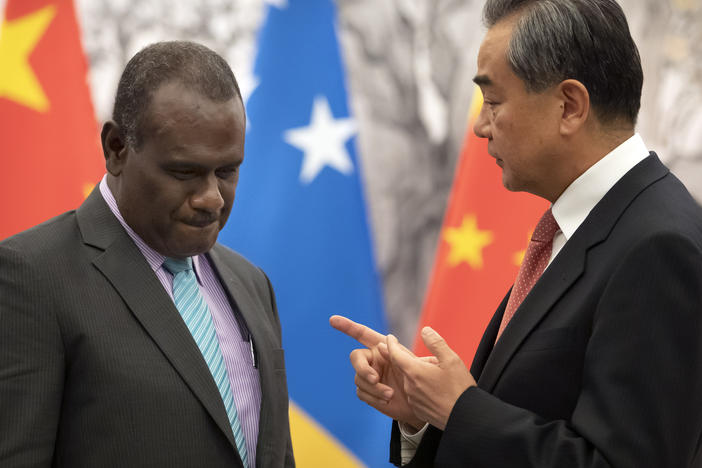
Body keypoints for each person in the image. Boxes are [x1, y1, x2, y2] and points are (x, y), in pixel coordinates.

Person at [331, 0, 702, 466]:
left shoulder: (658, 246)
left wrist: (461, 410)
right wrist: (427, 415)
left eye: (493, 102)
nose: (481, 127)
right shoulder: (585, 224)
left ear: (569, 106)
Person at [0, 41, 294, 468]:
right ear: (117, 148)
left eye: (227, 171)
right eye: (184, 172)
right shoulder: (31, 277)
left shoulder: (252, 284)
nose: (212, 198)